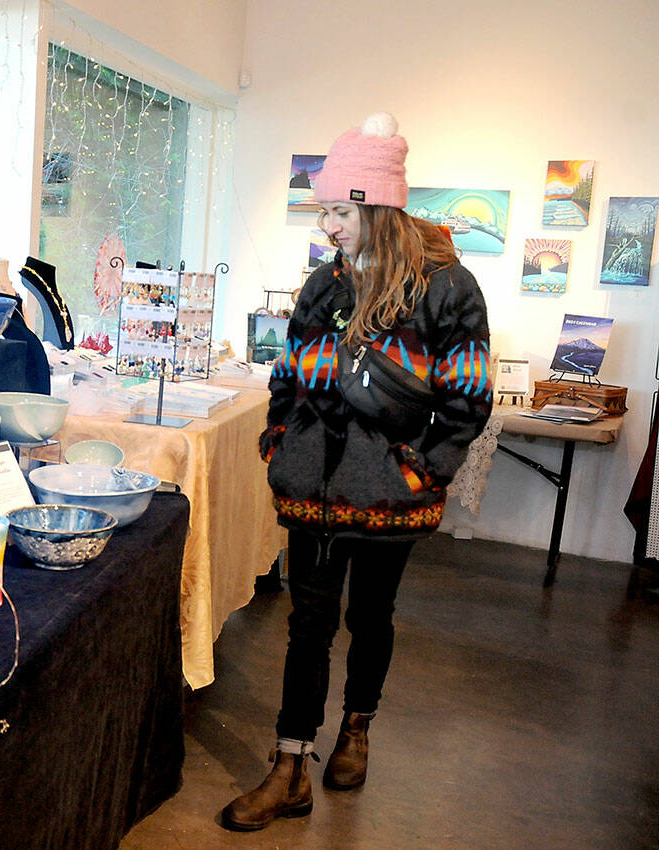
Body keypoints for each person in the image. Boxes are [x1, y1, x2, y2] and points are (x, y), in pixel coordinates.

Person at [221, 113, 493, 831]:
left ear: (375, 204)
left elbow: (468, 401)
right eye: (327, 213)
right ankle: (289, 766)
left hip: (388, 496)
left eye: (339, 211)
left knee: (371, 617)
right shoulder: (323, 284)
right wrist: (280, 444)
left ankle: (358, 727)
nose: (329, 226)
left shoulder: (448, 289)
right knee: (306, 624)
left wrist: (419, 472)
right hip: (313, 487)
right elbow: (287, 376)